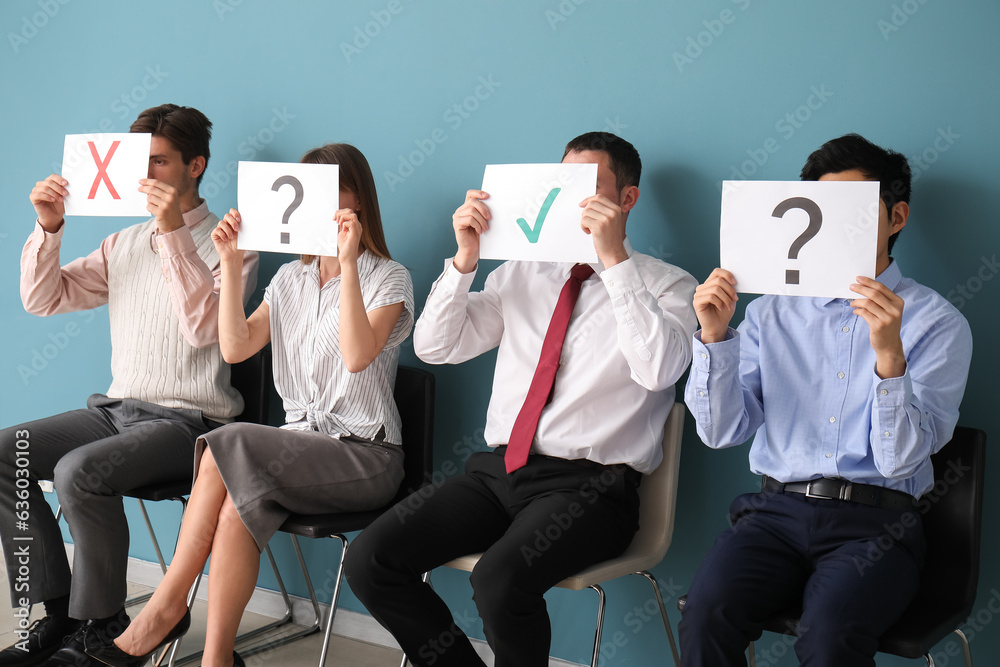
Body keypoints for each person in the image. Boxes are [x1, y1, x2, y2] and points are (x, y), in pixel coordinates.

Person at [345, 131, 698, 667]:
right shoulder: (520, 274)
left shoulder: (670, 287)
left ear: (627, 200)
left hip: (592, 487)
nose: (575, 199)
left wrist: (613, 259)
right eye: (566, 183)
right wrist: (464, 261)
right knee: (371, 557)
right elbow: (437, 347)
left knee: (499, 580)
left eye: (592, 187)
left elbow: (659, 371)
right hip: (496, 474)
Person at [79, 142, 414, 667]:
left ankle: (165, 608)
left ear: (357, 199)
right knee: (235, 509)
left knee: (225, 441)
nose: (318, 201)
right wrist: (230, 265)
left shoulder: (389, 277)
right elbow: (234, 346)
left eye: (333, 189)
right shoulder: (290, 280)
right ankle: (217, 659)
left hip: (364, 456)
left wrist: (346, 264)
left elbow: (355, 356)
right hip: (299, 451)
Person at [678, 133, 973, 666]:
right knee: (704, 612)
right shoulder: (769, 312)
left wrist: (888, 357)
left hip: (877, 525)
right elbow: (720, 432)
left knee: (830, 634)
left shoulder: (938, 323)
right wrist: (716, 339)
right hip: (773, 512)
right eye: (824, 208)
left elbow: (900, 460)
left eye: (853, 210)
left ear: (896, 216)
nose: (834, 225)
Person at [0, 104, 259, 667]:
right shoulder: (123, 242)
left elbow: (201, 331)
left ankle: (104, 625)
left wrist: (171, 233)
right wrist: (49, 227)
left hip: (189, 424)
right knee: (5, 453)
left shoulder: (232, 245)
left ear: (196, 165)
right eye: (138, 162)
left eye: (159, 161)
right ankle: (59, 611)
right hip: (117, 410)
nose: (147, 175)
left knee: (78, 472)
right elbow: (43, 299)